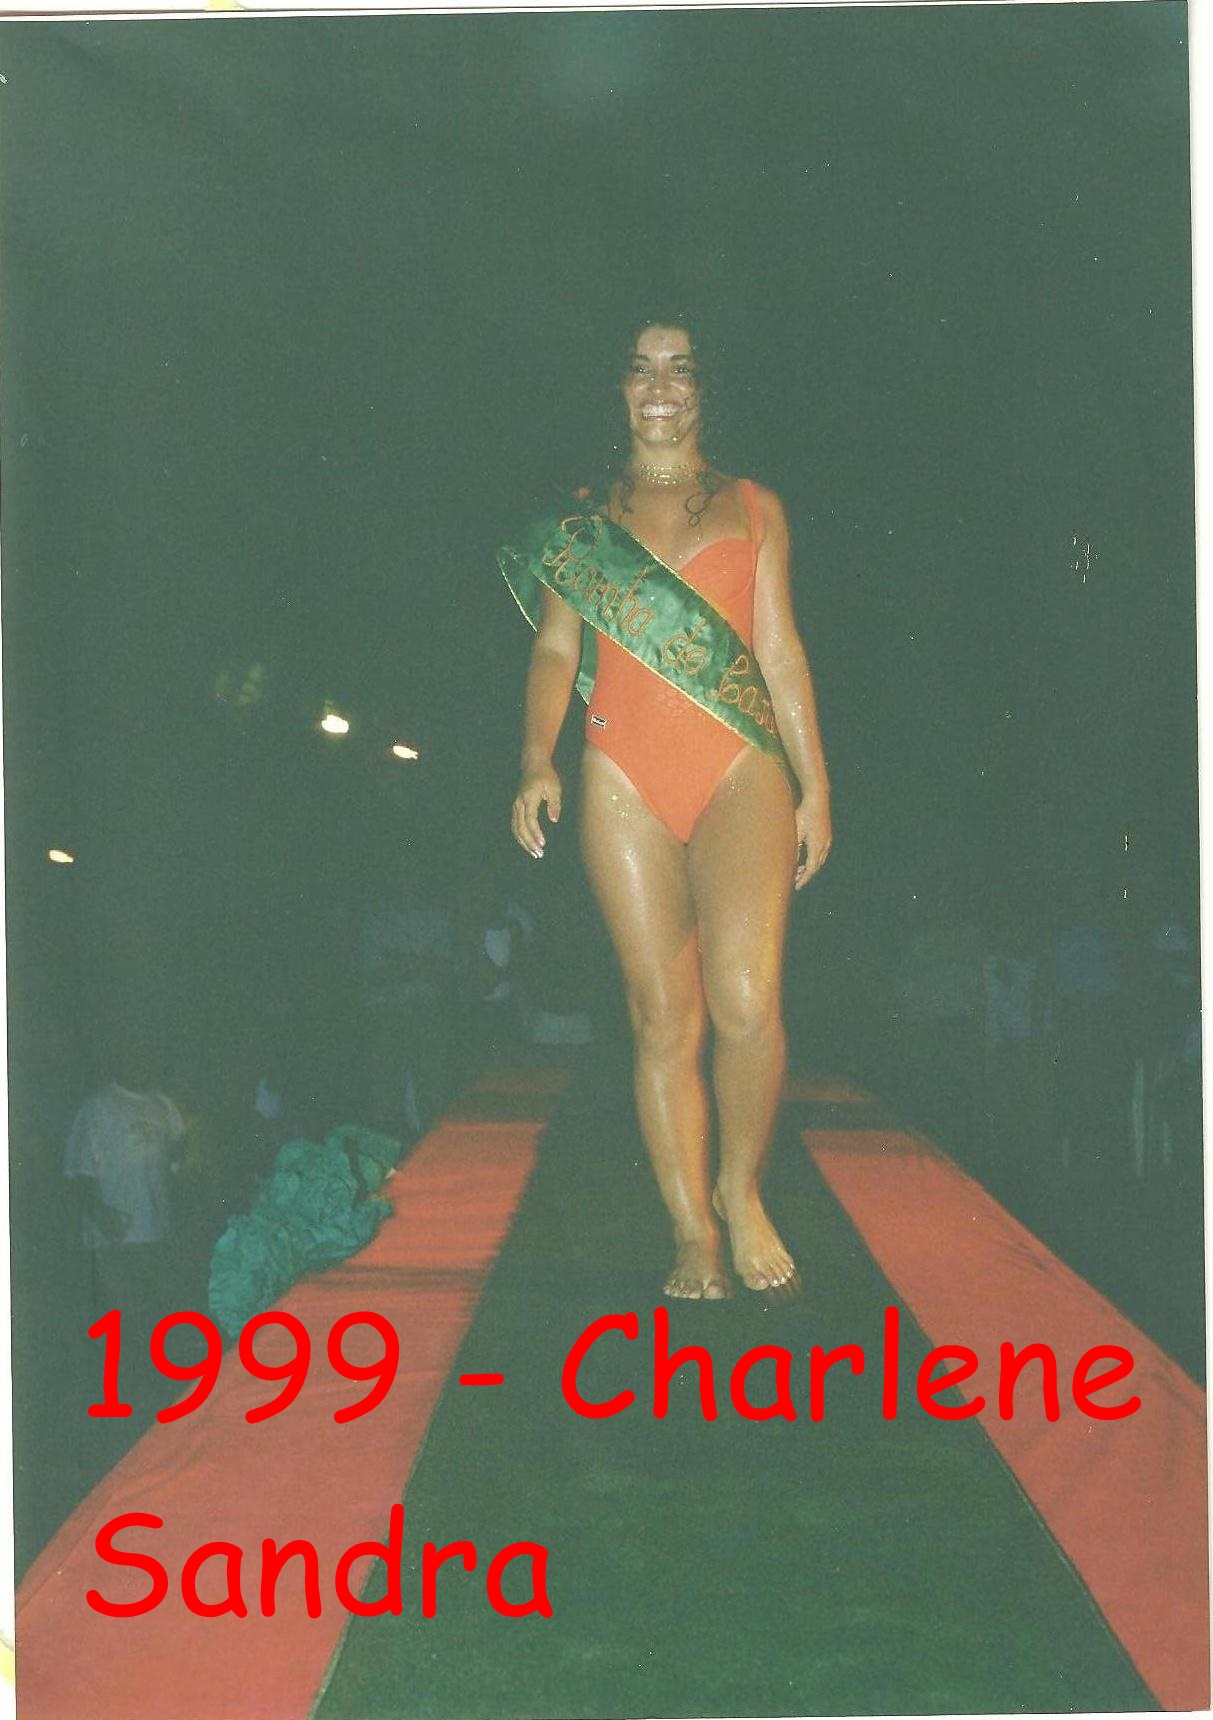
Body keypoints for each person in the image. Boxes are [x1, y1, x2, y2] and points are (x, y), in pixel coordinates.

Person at [501, 319, 831, 1298]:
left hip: (740, 771)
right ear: (616, 388)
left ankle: (740, 1188)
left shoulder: (754, 506)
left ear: (703, 388)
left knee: (746, 1002)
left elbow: (779, 652)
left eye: (679, 369)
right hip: (622, 776)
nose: (659, 386)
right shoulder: (581, 522)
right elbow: (555, 649)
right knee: (659, 1019)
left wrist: (816, 784)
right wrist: (535, 758)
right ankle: (691, 1231)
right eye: (640, 369)